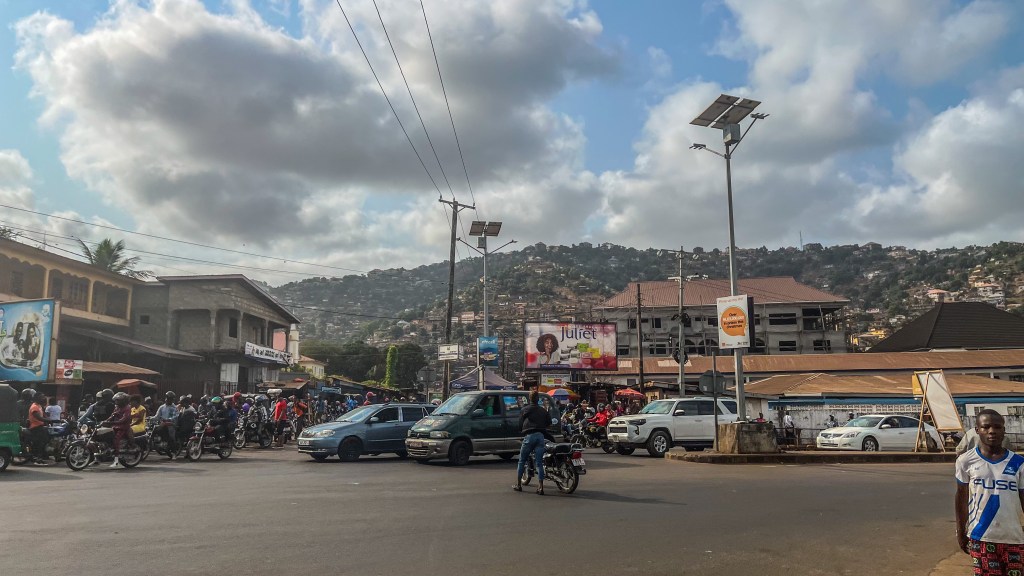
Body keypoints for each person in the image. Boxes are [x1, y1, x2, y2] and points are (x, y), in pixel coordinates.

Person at [954, 409, 1024, 574]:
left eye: (997, 427)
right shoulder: (965, 461)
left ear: (1004, 430)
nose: (992, 431)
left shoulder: (1018, 463)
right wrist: (960, 530)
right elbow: (961, 497)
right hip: (982, 537)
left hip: (1014, 537)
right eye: (986, 427)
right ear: (977, 430)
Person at [514, 390, 550, 495]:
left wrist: (521, 430)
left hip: (529, 436)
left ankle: (518, 485)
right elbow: (549, 422)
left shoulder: (525, 409)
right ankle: (540, 487)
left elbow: (520, 424)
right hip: (540, 436)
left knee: (521, 461)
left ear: (529, 399)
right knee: (539, 463)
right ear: (538, 399)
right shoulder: (543, 410)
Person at [102, 392, 133, 468]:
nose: (116, 402)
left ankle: (116, 461)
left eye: (118, 400)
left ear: (123, 401)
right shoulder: (117, 407)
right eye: (116, 400)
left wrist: (111, 422)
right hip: (115, 426)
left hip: (123, 427)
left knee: (116, 440)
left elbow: (124, 419)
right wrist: (105, 421)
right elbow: (112, 416)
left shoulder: (127, 408)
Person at [154, 392, 180, 459]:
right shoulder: (162, 407)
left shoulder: (175, 408)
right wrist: (150, 418)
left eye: (170, 399)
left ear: (173, 400)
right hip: (162, 424)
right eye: (167, 398)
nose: (168, 400)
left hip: (171, 425)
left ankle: (174, 453)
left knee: (171, 438)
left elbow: (175, 417)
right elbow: (157, 416)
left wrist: (168, 420)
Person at [27, 392, 49, 465]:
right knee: (41, 442)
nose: (43, 398)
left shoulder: (39, 406)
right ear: (37, 398)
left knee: (47, 439)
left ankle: (44, 455)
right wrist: (50, 420)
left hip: (40, 426)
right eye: (41, 397)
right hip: (35, 427)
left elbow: (44, 416)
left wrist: (48, 420)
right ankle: (38, 459)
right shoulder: (34, 407)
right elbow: (39, 418)